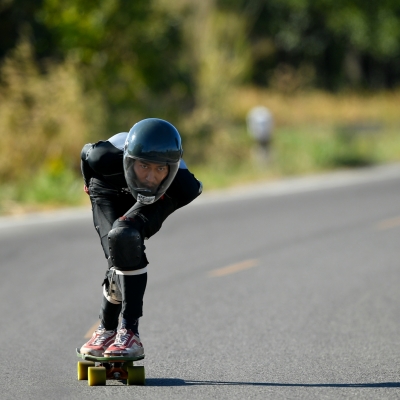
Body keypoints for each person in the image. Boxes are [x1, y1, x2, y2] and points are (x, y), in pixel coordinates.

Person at [79, 118, 202, 357]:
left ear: (172, 169)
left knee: (125, 237)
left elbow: (178, 195)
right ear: (129, 160)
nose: (150, 177)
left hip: (159, 197)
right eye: (144, 166)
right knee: (117, 260)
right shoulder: (103, 157)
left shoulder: (184, 186)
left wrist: (139, 222)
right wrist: (87, 184)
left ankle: (129, 333)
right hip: (106, 188)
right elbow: (85, 154)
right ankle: (106, 330)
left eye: (160, 169)